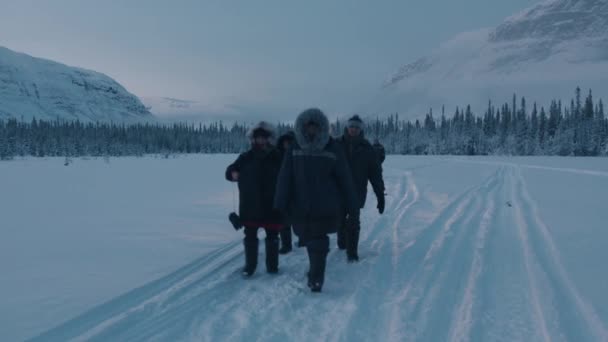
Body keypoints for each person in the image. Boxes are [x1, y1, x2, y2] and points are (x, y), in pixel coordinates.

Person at [274, 108, 359, 292]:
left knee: (319, 242)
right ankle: (315, 269)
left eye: (315, 127)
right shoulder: (295, 148)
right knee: (308, 238)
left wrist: (352, 206)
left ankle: (316, 278)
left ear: (321, 128)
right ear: (303, 128)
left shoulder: (332, 148)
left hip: (326, 206)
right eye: (308, 127)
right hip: (300, 206)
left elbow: (344, 178)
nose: (312, 130)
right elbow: (284, 177)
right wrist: (279, 206)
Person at [225, 121, 283, 277]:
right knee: (250, 237)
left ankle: (272, 266)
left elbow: (287, 175)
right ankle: (250, 267)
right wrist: (232, 173)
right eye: (258, 138)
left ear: (269, 139)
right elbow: (229, 171)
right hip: (251, 205)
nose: (261, 140)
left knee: (272, 236)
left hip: (272, 204)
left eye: (264, 138)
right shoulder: (245, 157)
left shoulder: (277, 156)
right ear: (253, 139)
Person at [337, 115, 385, 262]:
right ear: (347, 127)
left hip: (356, 192)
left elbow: (375, 174)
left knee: (354, 221)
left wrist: (380, 195)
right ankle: (343, 241)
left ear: (360, 129)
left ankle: (352, 253)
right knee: (339, 220)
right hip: (337, 191)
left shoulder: (367, 148)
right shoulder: (336, 144)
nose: (354, 129)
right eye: (352, 126)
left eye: (357, 127)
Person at [276, 131, 299, 254]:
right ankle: (286, 244)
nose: (287, 144)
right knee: (283, 220)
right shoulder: (276, 155)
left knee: (299, 218)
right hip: (281, 191)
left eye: (290, 142)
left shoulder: (299, 154)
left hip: (297, 191)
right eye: (286, 142)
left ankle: (302, 239)